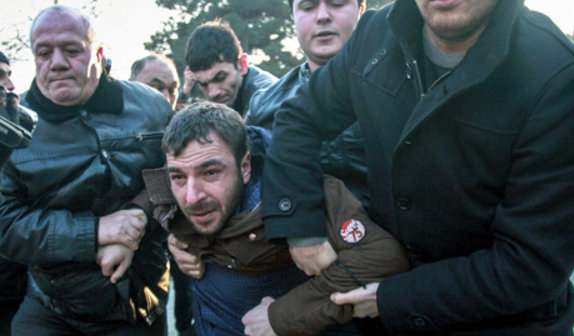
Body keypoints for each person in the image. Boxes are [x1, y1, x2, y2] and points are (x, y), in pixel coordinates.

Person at [259, 0, 574, 335]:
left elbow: (529, 266)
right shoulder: (373, 36)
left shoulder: (564, 82)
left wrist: (391, 298)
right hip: (382, 320)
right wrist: (301, 227)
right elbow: (298, 117)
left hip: (503, 323)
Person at [136, 101, 408, 335]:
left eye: (210, 173)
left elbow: (383, 260)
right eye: (178, 177)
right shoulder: (170, 190)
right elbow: (159, 195)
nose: (192, 197)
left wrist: (283, 316)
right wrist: (174, 236)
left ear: (245, 167)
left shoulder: (303, 193)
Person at [0, 6, 172, 336]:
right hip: (55, 309)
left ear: (98, 53)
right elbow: (4, 223)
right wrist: (94, 232)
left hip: (142, 302)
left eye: (72, 50)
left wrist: (133, 224)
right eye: (44, 52)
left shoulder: (152, 107)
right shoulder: (11, 127)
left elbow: (176, 174)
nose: (58, 62)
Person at [245, 0, 369, 206]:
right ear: (293, 17)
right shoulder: (263, 106)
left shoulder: (405, 86)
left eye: (337, 3)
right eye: (308, 7)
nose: (322, 16)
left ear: (361, 11)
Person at [130, 53, 195, 336]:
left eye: (173, 88)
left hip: (156, 268)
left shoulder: (180, 131)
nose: (167, 96)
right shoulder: (105, 131)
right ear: (130, 83)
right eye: (157, 87)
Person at [0, 51, 34, 336]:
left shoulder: (16, 135)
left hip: (16, 293)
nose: (10, 85)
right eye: (0, 75)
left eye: (9, 74)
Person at [177, 20, 276, 116]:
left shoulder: (268, 101)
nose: (213, 93)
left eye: (220, 78)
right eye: (203, 84)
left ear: (242, 64)